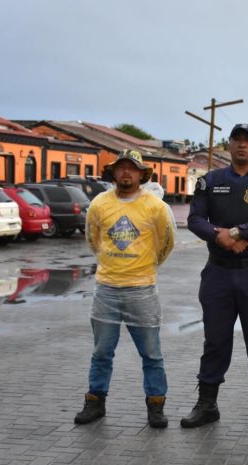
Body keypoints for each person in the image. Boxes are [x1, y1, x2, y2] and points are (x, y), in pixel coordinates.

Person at [184, 123, 248, 435]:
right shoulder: (210, 181)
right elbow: (194, 219)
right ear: (228, 146)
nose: (242, 145)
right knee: (215, 340)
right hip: (217, 272)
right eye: (236, 140)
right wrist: (222, 240)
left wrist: (237, 233)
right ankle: (207, 405)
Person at [75, 149, 176, 428]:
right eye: (121, 168)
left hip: (141, 290)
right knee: (101, 352)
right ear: (114, 172)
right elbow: (93, 239)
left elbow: (166, 242)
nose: (126, 173)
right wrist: (110, 264)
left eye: (132, 168)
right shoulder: (99, 204)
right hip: (106, 289)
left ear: (142, 174)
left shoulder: (155, 207)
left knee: (151, 354)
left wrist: (147, 267)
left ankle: (156, 405)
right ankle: (95, 402)